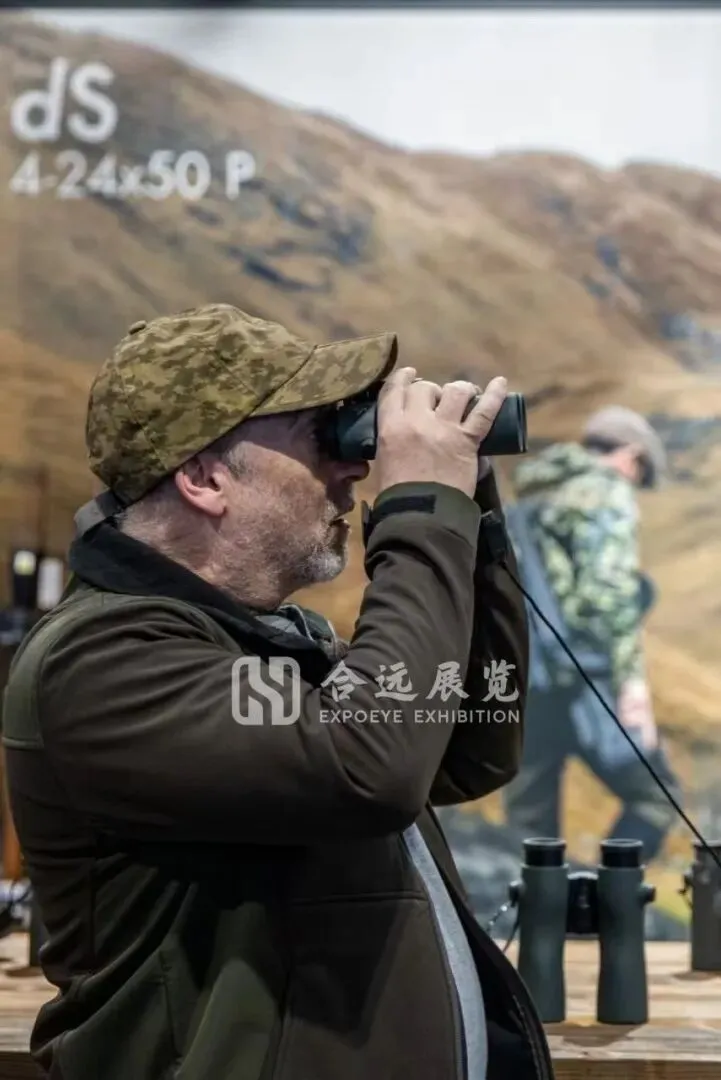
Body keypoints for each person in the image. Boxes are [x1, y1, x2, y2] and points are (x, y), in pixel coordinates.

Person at [2, 305, 554, 1080]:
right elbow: (370, 769)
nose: (351, 467)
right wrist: (422, 511)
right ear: (204, 477)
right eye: (319, 435)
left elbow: (469, 749)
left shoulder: (267, 639)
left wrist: (471, 520)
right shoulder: (101, 663)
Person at [502, 405, 682, 862]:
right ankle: (607, 898)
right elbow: (608, 598)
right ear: (631, 457)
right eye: (640, 475)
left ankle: (540, 908)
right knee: (657, 798)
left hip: (527, 679)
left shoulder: (535, 495)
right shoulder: (605, 491)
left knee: (531, 829)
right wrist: (633, 685)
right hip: (584, 680)